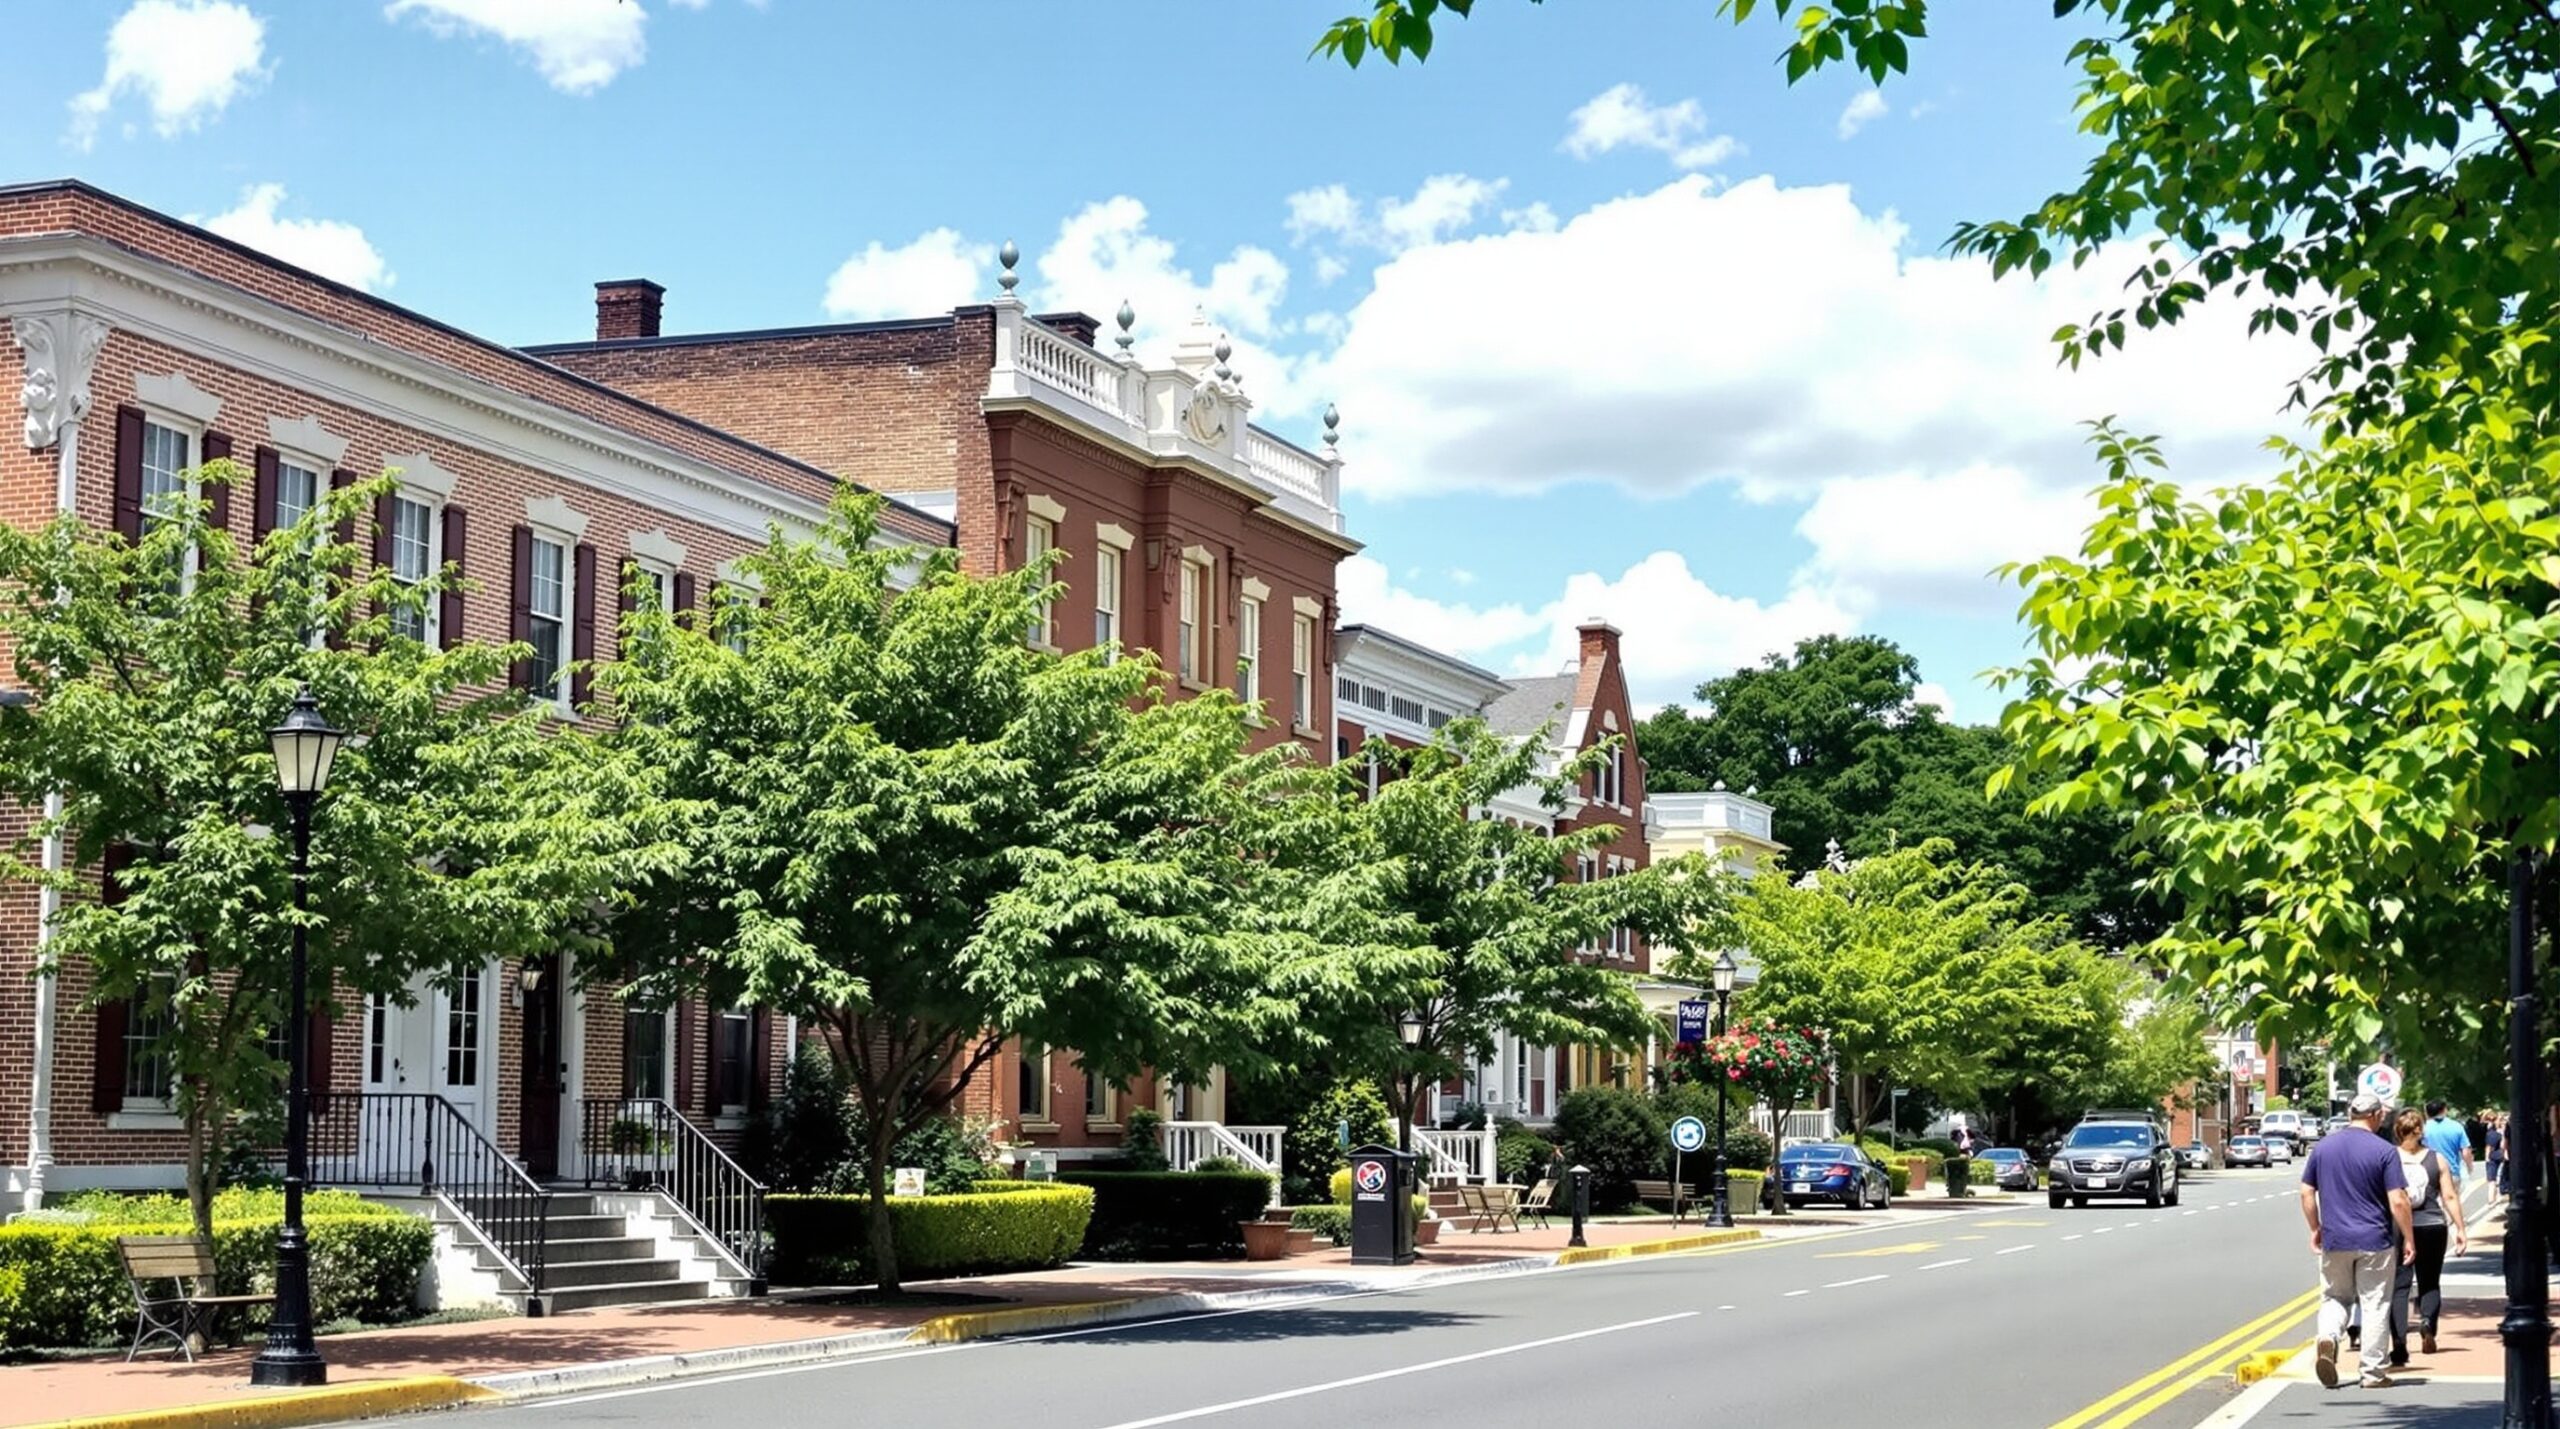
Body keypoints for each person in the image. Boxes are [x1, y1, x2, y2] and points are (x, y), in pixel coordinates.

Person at [2303, 1092, 2415, 1389]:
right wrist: (2409, 1238)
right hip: (2374, 1240)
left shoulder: (2323, 1147)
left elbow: (2306, 1192)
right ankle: (2372, 1373)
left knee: (2335, 1297)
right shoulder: (2385, 1150)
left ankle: (2327, 1338)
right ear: (2377, 1116)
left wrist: (2316, 1227)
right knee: (2375, 1303)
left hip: (2335, 1238)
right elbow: (2399, 1200)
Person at [2385, 1107, 2470, 1362]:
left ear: (2397, 1131)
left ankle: (2399, 1345)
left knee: (2399, 1286)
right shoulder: (2437, 1159)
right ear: (2421, 1130)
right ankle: (2427, 1323)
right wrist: (2461, 1229)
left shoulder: (2389, 1158)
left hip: (2399, 1226)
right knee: (2430, 1282)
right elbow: (2450, 1196)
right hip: (2432, 1223)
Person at [2422, 1100, 2476, 1185]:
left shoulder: (2423, 1130)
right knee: (2453, 1197)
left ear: (2427, 1113)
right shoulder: (2456, 1126)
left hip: (2429, 1172)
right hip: (2452, 1171)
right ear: (2444, 1110)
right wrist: (2469, 1167)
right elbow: (2466, 1151)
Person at [2487, 1113, 2508, 1206]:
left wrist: (2487, 1157)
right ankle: (2496, 1197)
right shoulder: (2504, 1131)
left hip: (2494, 1156)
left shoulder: (2492, 1134)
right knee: (2499, 1177)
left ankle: (2491, 1199)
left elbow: (2489, 1147)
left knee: (2492, 1179)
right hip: (2502, 1156)